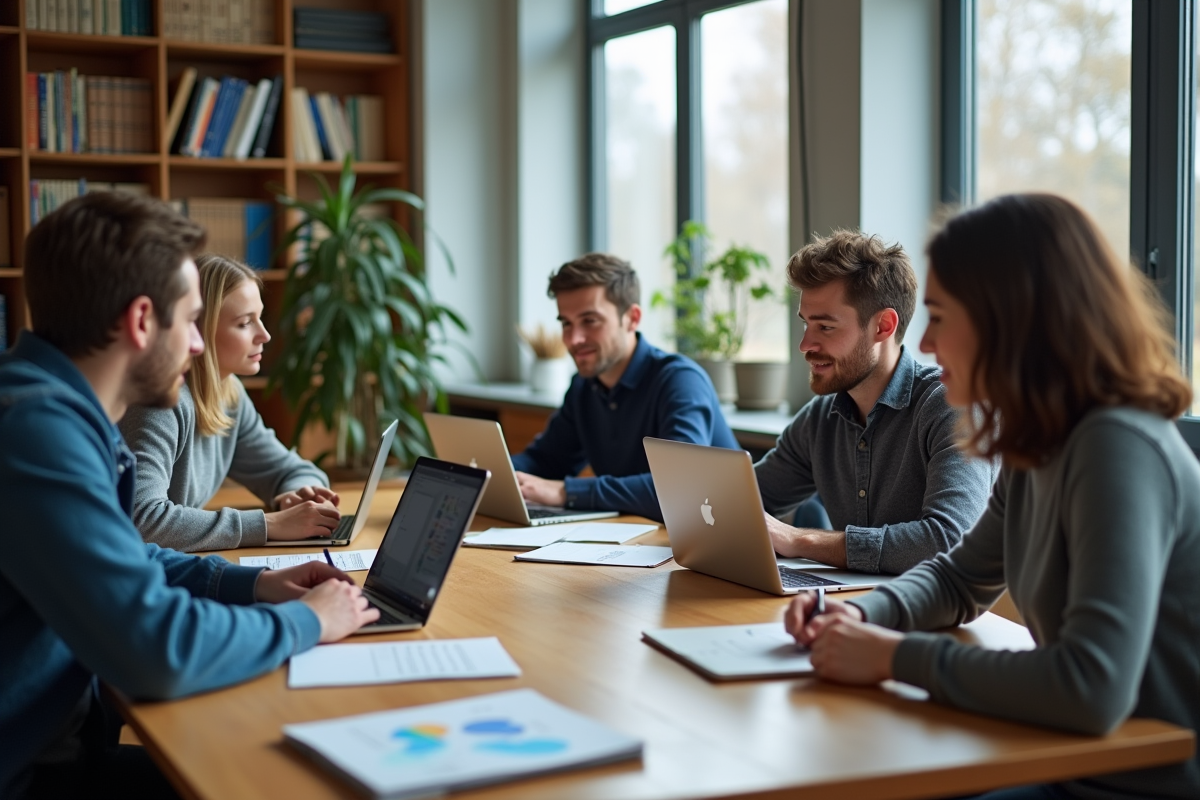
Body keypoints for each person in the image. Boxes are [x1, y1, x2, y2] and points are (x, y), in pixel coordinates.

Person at [785, 194, 1200, 799]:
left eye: (943, 317)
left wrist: (893, 658)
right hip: (1070, 763)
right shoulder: (1043, 442)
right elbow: (959, 580)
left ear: (1013, 319)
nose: (925, 347)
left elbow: (1090, 686)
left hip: (1140, 785)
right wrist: (859, 613)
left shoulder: (1116, 447)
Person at [0, 193, 378, 799]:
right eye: (190, 320)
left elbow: (128, 552)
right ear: (143, 321)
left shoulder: (49, 409)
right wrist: (305, 622)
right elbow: (158, 648)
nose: (199, 346)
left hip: (60, 739)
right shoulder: (36, 434)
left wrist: (249, 585)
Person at [753, 231, 995, 574]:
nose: (805, 344)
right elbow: (747, 500)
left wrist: (800, 541)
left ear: (883, 326)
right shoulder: (821, 419)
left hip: (945, 618)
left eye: (825, 327)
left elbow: (949, 539)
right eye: (807, 324)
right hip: (856, 608)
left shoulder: (951, 407)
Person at [120, 254, 340, 552]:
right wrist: (269, 525)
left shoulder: (228, 392)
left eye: (260, 317)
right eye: (245, 323)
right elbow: (142, 519)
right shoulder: (159, 403)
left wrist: (296, 493)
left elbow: (288, 469)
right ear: (197, 328)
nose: (264, 334)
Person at [510, 252, 739, 521]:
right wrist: (495, 473)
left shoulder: (680, 381)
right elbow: (546, 460)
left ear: (632, 318)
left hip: (721, 543)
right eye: (566, 323)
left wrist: (566, 492)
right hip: (642, 541)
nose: (574, 339)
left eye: (590, 321)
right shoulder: (584, 386)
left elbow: (681, 489)